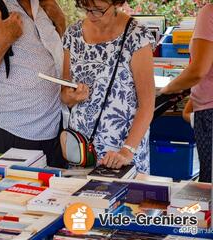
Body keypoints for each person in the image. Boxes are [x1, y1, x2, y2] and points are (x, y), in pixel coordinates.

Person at [0, 0, 67, 167]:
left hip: (53, 127)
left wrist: (60, 23)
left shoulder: (44, 7)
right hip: (12, 130)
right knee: (13, 192)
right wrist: (4, 39)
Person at [61, 0, 155, 173]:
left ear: (116, 3)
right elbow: (64, 94)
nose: (91, 15)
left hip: (123, 152)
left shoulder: (136, 35)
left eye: (99, 10)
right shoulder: (72, 34)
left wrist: (127, 151)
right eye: (85, 8)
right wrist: (71, 97)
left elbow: (147, 105)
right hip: (82, 151)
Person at [161, 3, 213, 182]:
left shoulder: (209, 12)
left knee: (209, 185)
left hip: (209, 114)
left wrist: (167, 89)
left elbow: (198, 71)